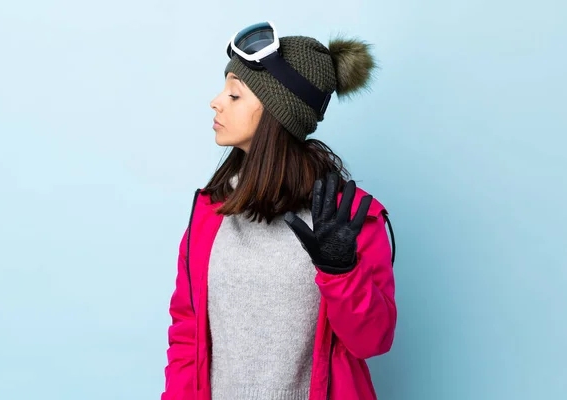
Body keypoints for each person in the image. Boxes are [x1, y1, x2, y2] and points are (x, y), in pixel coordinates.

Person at [161, 21, 397, 400]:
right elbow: (187, 337)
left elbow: (373, 341)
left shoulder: (349, 220)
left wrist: (343, 272)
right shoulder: (209, 213)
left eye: (235, 96)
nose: (216, 101)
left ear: (275, 114)